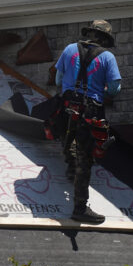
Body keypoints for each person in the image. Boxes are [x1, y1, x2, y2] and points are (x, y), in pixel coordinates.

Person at [55, 20, 121, 223]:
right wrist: (100, 89)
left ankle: (69, 166)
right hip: (89, 112)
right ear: (104, 39)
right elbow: (115, 89)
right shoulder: (107, 57)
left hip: (67, 106)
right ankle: (79, 209)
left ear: (89, 33)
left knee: (67, 135)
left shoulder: (68, 49)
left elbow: (58, 80)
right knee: (85, 159)